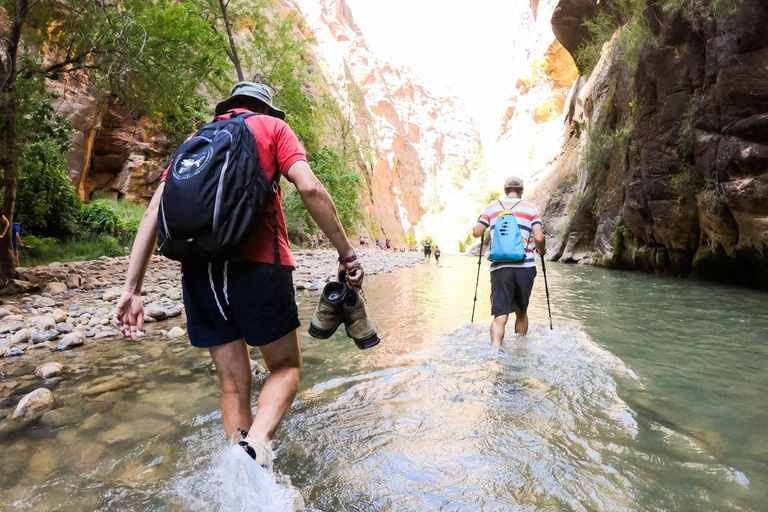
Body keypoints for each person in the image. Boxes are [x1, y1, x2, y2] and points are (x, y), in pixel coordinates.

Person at [113, 81, 364, 468]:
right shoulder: (272, 128)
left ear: (227, 107)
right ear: (267, 109)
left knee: (232, 384)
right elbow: (310, 187)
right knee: (285, 367)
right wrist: (346, 253)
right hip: (259, 265)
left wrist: (132, 289)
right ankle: (256, 445)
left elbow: (152, 214)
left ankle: (240, 470)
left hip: (199, 275)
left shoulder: (195, 140)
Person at [472, 176, 545, 347]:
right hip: (525, 265)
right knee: (521, 312)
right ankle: (519, 347)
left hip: (500, 266)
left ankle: (495, 351)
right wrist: (541, 251)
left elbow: (477, 232)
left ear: (505, 190)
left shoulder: (492, 207)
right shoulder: (531, 208)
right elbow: (539, 238)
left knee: (500, 314)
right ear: (522, 190)